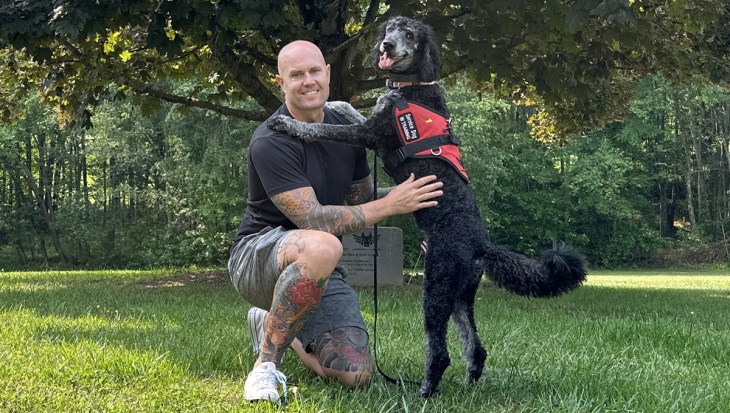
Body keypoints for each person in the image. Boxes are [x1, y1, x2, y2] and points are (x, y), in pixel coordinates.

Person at [227, 40, 443, 403]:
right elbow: (312, 218)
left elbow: (362, 201)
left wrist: (419, 197)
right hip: (257, 258)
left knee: (354, 374)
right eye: (296, 74)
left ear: (327, 73)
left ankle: (272, 323)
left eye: (315, 71)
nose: (308, 81)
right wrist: (391, 204)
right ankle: (265, 366)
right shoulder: (271, 139)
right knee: (324, 244)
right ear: (281, 82)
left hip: (318, 267)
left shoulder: (345, 126)